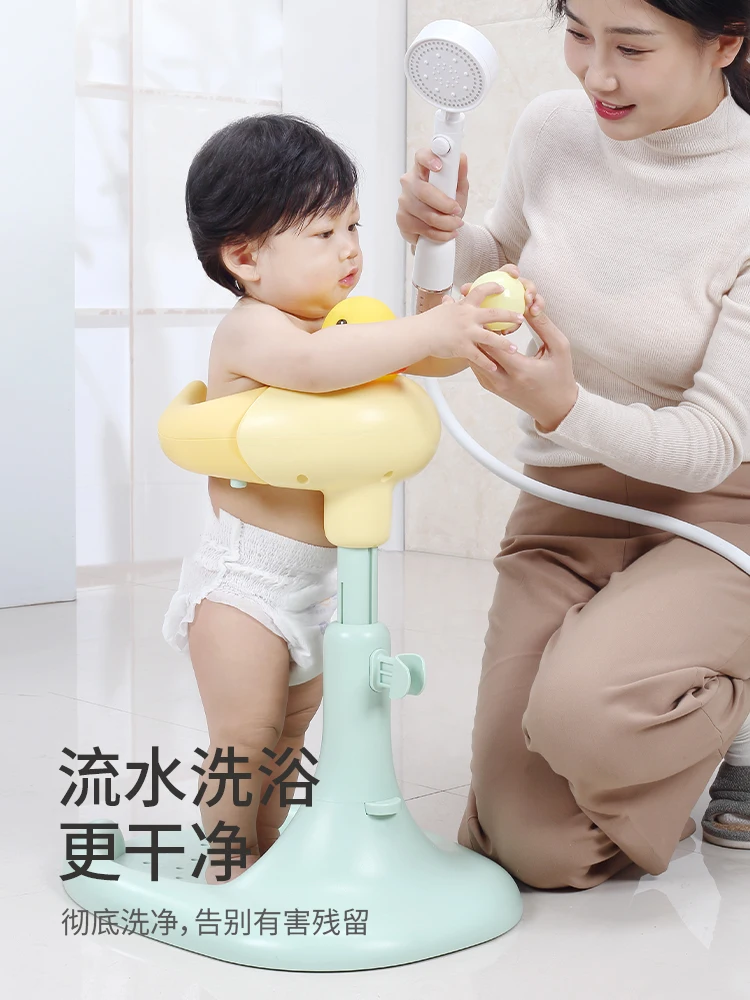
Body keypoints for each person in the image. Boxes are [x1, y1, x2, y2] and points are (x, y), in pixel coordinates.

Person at [396, 0, 750, 887]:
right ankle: (639, 673)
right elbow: (501, 262)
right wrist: (443, 237)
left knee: (582, 719)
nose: (595, 74)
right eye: (579, 34)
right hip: (566, 508)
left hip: (716, 517)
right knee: (533, 850)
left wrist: (564, 408)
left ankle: (734, 708)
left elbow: (711, 441)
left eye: (631, 47)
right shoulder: (554, 129)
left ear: (728, 44)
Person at [161, 114, 538, 882]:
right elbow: (318, 366)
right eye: (325, 232)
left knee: (292, 735)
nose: (351, 248)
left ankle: (269, 848)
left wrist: (473, 320)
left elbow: (411, 356)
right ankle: (227, 862)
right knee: (246, 733)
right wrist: (434, 325)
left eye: (355, 225)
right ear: (245, 258)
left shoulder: (338, 323)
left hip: (316, 583)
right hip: (245, 585)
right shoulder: (256, 331)